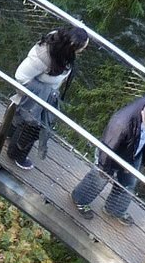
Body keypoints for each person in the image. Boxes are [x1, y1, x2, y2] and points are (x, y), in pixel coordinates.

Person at [71, 96, 145, 222]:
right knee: (99, 178)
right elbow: (107, 148)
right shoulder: (121, 124)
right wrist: (104, 168)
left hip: (134, 150)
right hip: (113, 151)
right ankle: (80, 199)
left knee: (129, 183)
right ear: (142, 114)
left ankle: (114, 209)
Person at [6, 26, 89, 169]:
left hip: (44, 92)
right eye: (82, 48)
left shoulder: (61, 49)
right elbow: (21, 77)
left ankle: (9, 135)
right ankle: (16, 155)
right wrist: (44, 94)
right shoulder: (42, 56)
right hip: (35, 95)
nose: (82, 51)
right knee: (33, 125)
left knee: (22, 119)